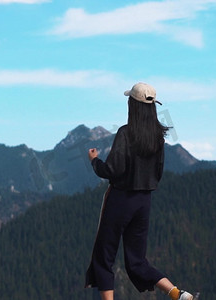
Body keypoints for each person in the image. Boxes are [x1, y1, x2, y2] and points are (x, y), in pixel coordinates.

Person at [85, 83, 198, 300]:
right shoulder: (158, 137)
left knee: (104, 256)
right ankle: (177, 293)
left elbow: (111, 170)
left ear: (132, 105)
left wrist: (94, 161)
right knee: (137, 260)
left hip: (120, 199)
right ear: (153, 107)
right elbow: (158, 172)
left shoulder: (126, 133)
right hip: (144, 201)